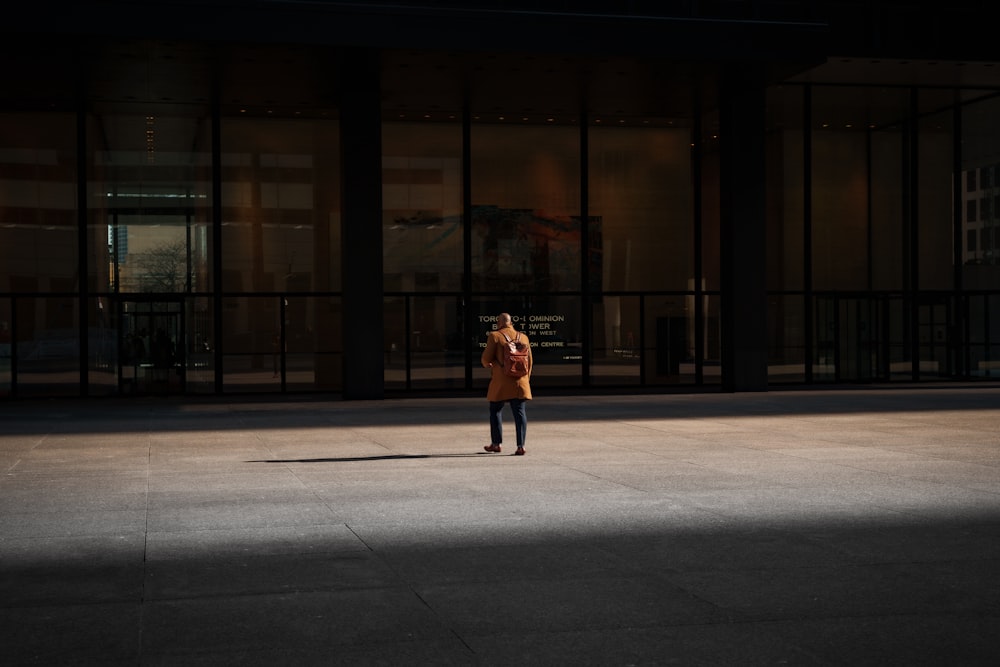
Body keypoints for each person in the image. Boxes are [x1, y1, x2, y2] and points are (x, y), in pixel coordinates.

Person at [480, 312, 533, 455]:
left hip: (501, 382)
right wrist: (525, 380)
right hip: (520, 382)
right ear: (511, 323)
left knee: (495, 410)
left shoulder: (495, 336)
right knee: (520, 413)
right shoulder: (523, 337)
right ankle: (521, 446)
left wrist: (487, 364)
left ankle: (496, 444)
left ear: (499, 323)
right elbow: (530, 361)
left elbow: (485, 358)